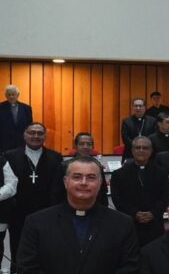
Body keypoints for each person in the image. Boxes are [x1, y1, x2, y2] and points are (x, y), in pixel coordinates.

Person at [3, 123, 64, 257]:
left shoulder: (55, 157)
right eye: (32, 133)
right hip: (17, 213)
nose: (35, 136)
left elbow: (58, 188)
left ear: (45, 136)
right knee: (18, 250)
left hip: (47, 212)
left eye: (40, 133)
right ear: (24, 135)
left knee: (46, 250)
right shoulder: (10, 156)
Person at [110, 135, 168, 254]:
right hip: (130, 224)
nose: (141, 150)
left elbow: (165, 197)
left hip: (154, 224)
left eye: (145, 148)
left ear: (151, 151)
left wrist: (152, 213)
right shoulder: (119, 174)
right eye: (138, 147)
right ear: (132, 150)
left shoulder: (161, 173)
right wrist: (135, 213)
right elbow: (117, 199)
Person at [70, 132, 109, 206]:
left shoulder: (97, 166)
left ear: (93, 147)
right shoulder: (65, 166)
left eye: (89, 144)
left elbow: (102, 192)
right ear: (75, 146)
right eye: (82, 144)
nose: (85, 147)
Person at [0, 85, 33, 153]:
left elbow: (29, 126)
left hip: (22, 142)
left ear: (18, 95)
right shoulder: (1, 107)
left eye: (13, 94)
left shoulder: (26, 108)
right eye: (9, 95)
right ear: (6, 95)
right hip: (4, 143)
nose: (11, 97)